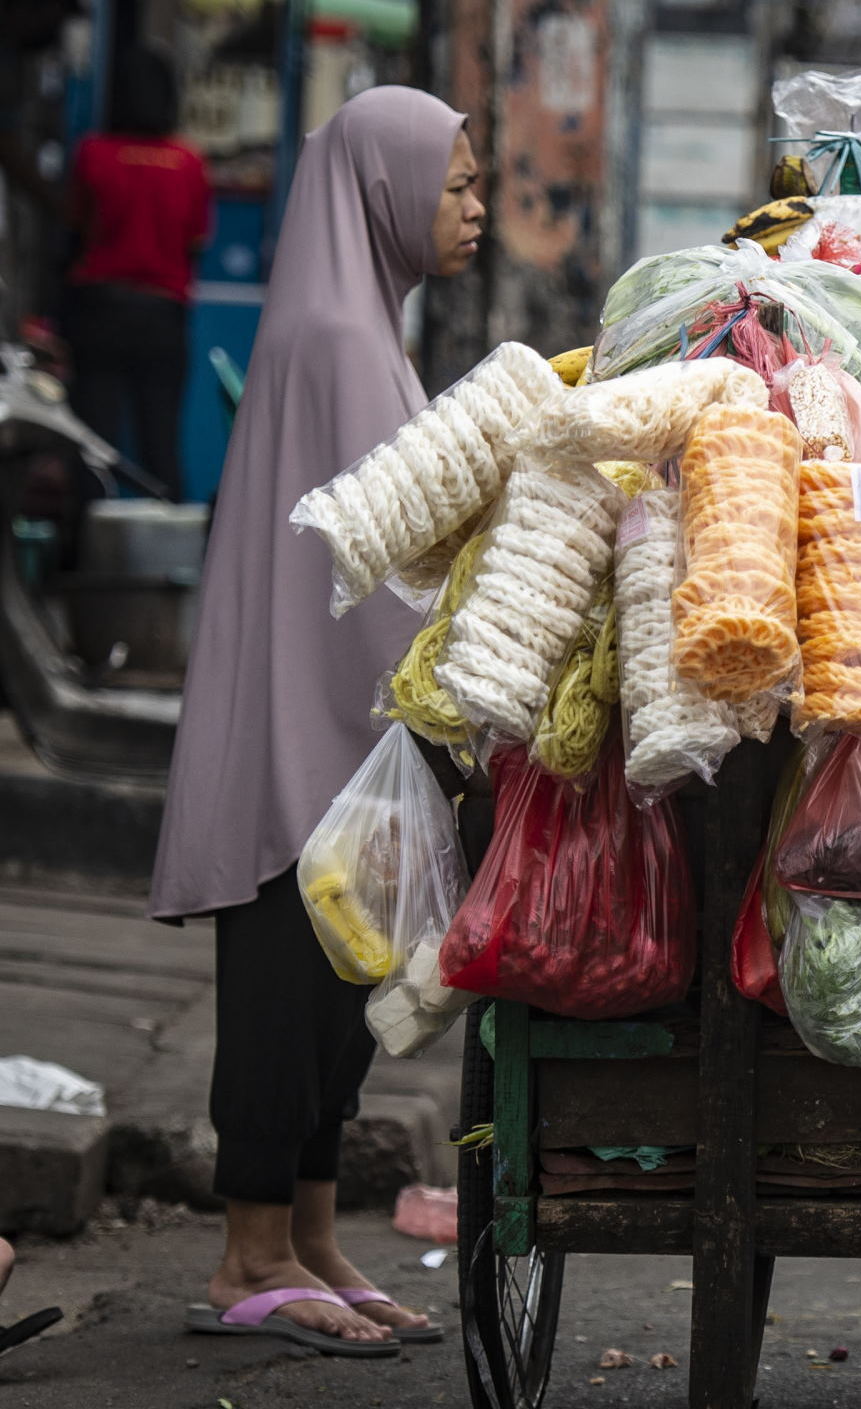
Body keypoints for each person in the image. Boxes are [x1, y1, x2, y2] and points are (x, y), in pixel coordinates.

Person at [152, 86, 485, 1358]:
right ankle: (250, 1250)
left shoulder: (357, 326)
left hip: (325, 722)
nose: (473, 210)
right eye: (454, 186)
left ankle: (309, 1233)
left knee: (337, 1000)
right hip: (306, 739)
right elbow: (394, 560)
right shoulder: (343, 341)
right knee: (289, 997)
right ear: (386, 190)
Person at [63, 45, 212, 500]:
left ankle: (82, 551)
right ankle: (170, 551)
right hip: (162, 313)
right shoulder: (187, 163)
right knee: (159, 438)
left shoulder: (93, 154)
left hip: (99, 309)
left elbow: (76, 230)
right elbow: (195, 243)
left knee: (92, 440)